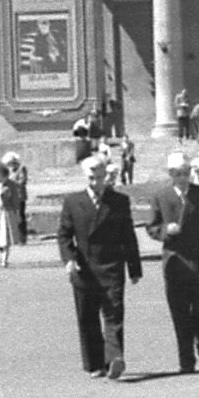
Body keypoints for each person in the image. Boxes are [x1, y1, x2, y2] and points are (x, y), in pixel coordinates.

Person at [57, 151, 144, 379]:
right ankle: (95, 363)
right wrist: (69, 260)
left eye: (99, 177)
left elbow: (128, 236)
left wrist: (134, 268)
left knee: (114, 314)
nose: (95, 182)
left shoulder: (119, 201)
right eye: (90, 178)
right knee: (87, 318)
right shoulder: (73, 202)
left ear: (106, 176)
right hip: (84, 269)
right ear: (85, 177)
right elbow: (64, 235)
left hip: (111, 267)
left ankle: (114, 358)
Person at [146, 151, 199, 373]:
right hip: (175, 262)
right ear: (171, 174)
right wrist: (165, 231)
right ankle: (186, 360)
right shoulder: (161, 196)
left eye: (186, 173)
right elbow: (152, 227)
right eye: (178, 174)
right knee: (180, 313)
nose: (183, 178)